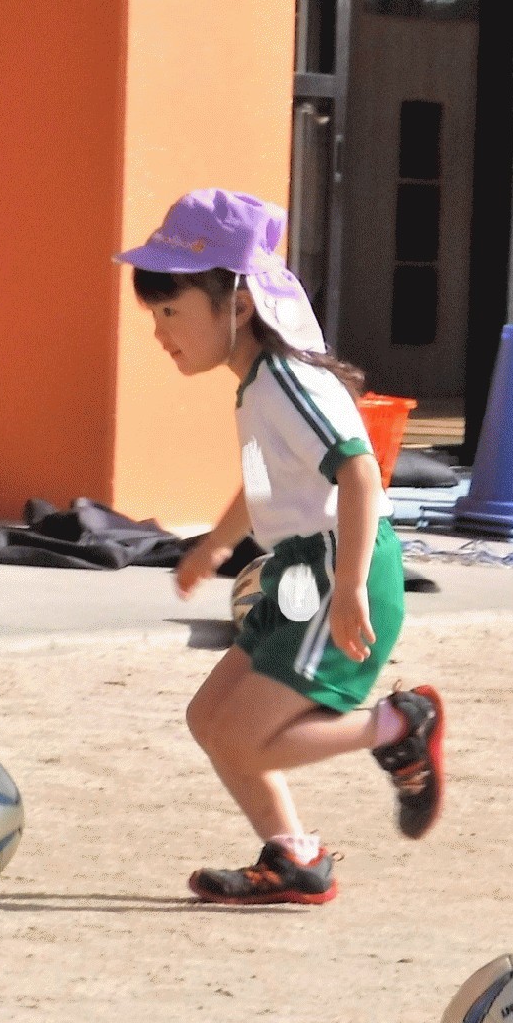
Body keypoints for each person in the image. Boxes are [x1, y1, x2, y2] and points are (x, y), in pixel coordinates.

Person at [116, 189, 445, 905]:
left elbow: (359, 470)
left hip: (335, 574)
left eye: (170, 312)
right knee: (210, 721)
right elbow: (264, 484)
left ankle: (400, 725)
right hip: (300, 574)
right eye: (155, 315)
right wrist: (214, 545)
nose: (160, 332)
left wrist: (352, 585)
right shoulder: (256, 388)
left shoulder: (287, 384)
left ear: (235, 306)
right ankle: (297, 858)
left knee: (241, 736)